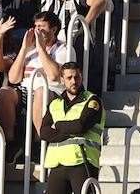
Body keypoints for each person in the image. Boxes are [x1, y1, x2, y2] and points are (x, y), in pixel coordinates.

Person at [39, 62, 104, 194]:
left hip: (82, 160)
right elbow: (44, 132)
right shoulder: (55, 104)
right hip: (57, 163)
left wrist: (57, 125)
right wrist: (70, 131)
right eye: (69, 78)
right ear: (62, 80)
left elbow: (81, 126)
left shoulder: (92, 101)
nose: (73, 81)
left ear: (81, 78)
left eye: (77, 77)